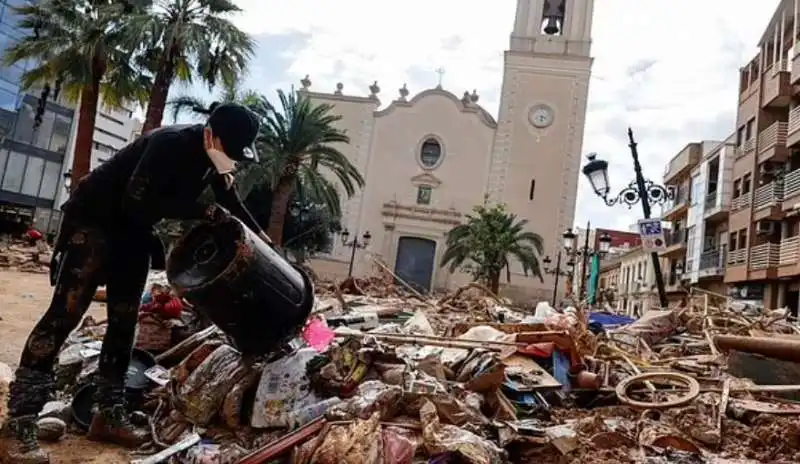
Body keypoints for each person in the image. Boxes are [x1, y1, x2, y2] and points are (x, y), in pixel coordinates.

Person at [0, 102, 271, 464]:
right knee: (65, 314)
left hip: (133, 231)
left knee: (125, 321)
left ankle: (108, 414)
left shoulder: (214, 160)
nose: (233, 161)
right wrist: (201, 211)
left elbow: (230, 203)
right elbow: (137, 199)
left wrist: (263, 240)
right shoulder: (171, 142)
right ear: (211, 135)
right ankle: (19, 423)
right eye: (231, 151)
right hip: (94, 221)